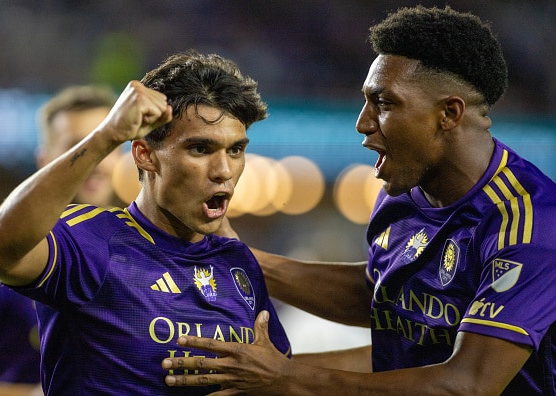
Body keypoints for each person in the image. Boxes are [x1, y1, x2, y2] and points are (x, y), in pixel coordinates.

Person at [159, 6, 556, 395]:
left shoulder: (530, 225)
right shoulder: (402, 196)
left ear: (448, 113)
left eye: (384, 104)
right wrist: (238, 257)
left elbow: (468, 384)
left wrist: (286, 378)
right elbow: (378, 296)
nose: (363, 123)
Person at [0, 50, 291, 395]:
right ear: (145, 154)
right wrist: (106, 135)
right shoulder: (92, 240)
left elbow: (278, 377)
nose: (224, 171)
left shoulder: (237, 261)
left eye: (235, 150)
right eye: (200, 149)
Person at [0, 85, 121, 396]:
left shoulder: (144, 247)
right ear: (45, 159)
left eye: (107, 146)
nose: (96, 161)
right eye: (79, 148)